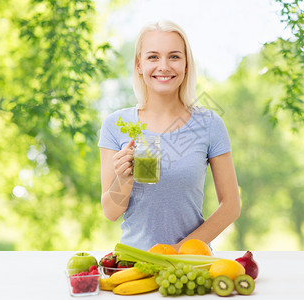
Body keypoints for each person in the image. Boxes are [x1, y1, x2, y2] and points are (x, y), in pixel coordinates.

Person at [98, 20, 241, 251]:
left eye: (174, 57)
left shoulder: (209, 124)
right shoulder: (115, 126)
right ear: (139, 66)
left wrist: (179, 250)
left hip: (190, 262)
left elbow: (231, 206)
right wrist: (124, 177)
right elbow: (111, 212)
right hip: (134, 264)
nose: (163, 66)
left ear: (186, 65)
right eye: (153, 57)